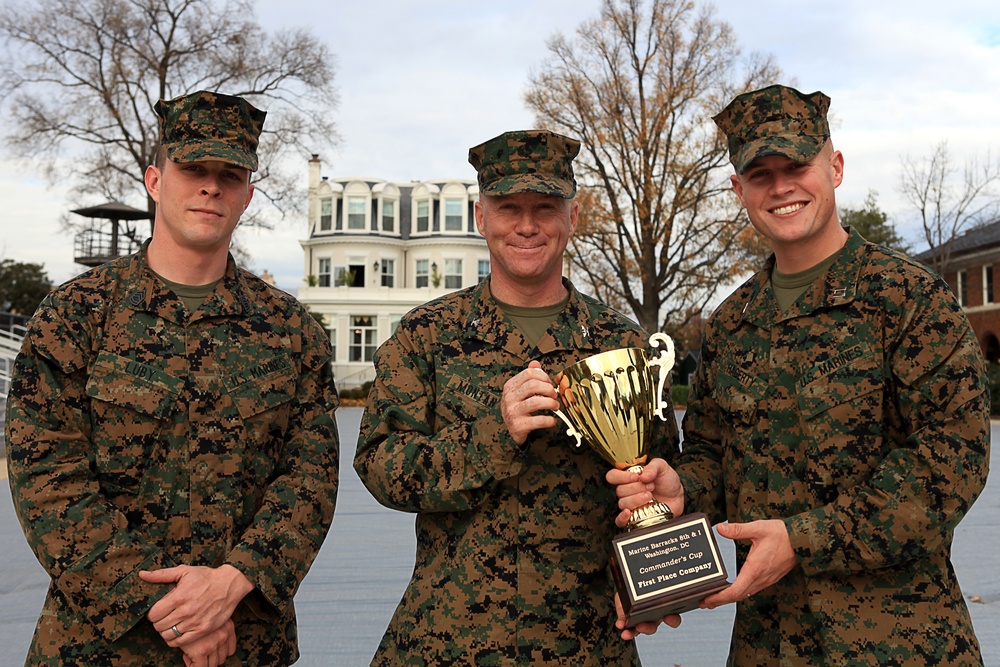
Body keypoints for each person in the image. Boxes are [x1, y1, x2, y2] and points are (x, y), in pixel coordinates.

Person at [608, 84, 991, 665]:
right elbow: (714, 452)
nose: (781, 186)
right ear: (739, 190)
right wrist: (683, 492)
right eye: (760, 173)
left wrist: (802, 539)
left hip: (900, 642)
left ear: (834, 167)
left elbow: (950, 465)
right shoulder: (732, 323)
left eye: (797, 165)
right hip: (768, 643)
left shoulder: (910, 301)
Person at [4, 90, 340, 666]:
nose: (211, 186)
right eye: (193, 169)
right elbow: (46, 475)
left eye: (229, 174)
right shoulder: (75, 315)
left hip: (244, 638)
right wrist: (178, 614)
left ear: (248, 197)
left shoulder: (291, 330)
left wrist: (233, 582)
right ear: (156, 181)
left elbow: (310, 478)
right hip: (101, 644)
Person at [354, 129, 680, 665]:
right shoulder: (429, 335)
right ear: (481, 218)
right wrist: (492, 435)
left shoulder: (622, 346)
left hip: (587, 642)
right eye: (508, 207)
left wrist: (657, 569)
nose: (526, 225)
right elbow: (381, 467)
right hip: (448, 640)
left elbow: (661, 478)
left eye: (545, 207)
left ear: (572, 219)